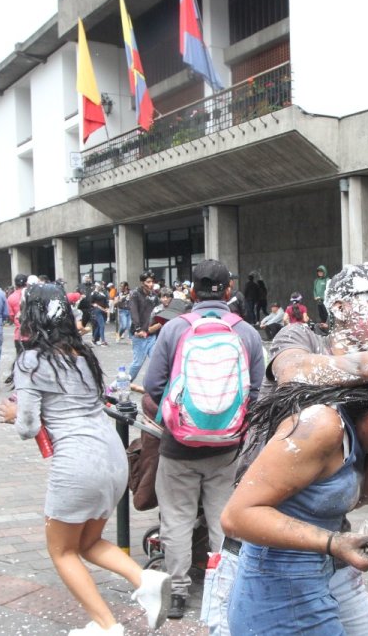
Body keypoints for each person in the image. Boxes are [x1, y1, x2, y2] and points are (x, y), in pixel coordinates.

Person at [205, 262, 368, 636]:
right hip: (261, 547)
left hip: (330, 555)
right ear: (340, 307)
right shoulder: (303, 338)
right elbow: (291, 370)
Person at [0, 283, 170, 634]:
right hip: (112, 458)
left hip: (78, 464)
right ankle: (146, 581)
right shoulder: (82, 354)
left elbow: (28, 425)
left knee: (61, 551)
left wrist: (14, 414)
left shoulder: (31, 360)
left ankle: (107, 626)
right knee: (87, 542)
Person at [142, 259, 265, 620]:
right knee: (222, 519)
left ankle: (178, 593)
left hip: (178, 446)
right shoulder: (246, 332)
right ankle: (225, 591)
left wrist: (177, 414)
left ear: (192, 292)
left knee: (177, 518)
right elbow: (257, 392)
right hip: (227, 447)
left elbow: (152, 386)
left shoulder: (174, 329)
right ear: (228, 292)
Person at [128, 271, 158, 389]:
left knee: (156, 359)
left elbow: (157, 311)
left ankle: (155, 385)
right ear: (142, 282)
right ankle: (124, 383)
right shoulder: (135, 294)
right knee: (137, 363)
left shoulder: (154, 295)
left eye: (152, 282)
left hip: (151, 333)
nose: (150, 284)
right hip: (139, 334)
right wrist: (138, 328)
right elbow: (134, 312)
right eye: (148, 282)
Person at [7, 275, 29, 356]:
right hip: (33, 334)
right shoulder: (32, 295)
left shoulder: (11, 297)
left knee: (20, 361)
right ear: (27, 283)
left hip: (19, 334)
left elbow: (11, 316)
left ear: (15, 284)